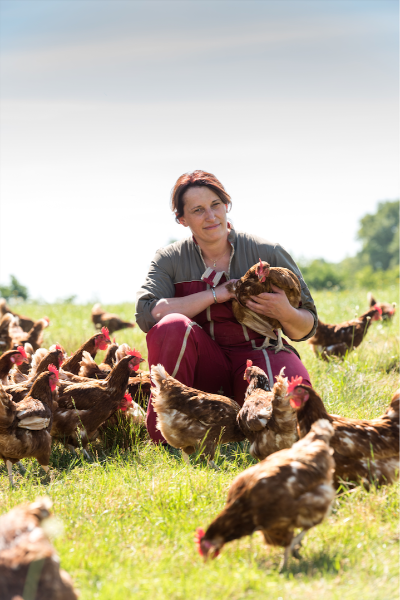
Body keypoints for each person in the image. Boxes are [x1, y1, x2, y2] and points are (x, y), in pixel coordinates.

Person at [136, 170, 317, 443]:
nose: (211, 216)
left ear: (226, 206)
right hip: (204, 365)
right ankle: (166, 436)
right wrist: (215, 294)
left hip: (259, 354)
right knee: (171, 326)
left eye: (216, 205)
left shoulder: (268, 252)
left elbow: (308, 326)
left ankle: (248, 421)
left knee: (295, 408)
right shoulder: (169, 259)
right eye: (198, 210)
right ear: (182, 219)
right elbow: (147, 314)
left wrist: (285, 312)